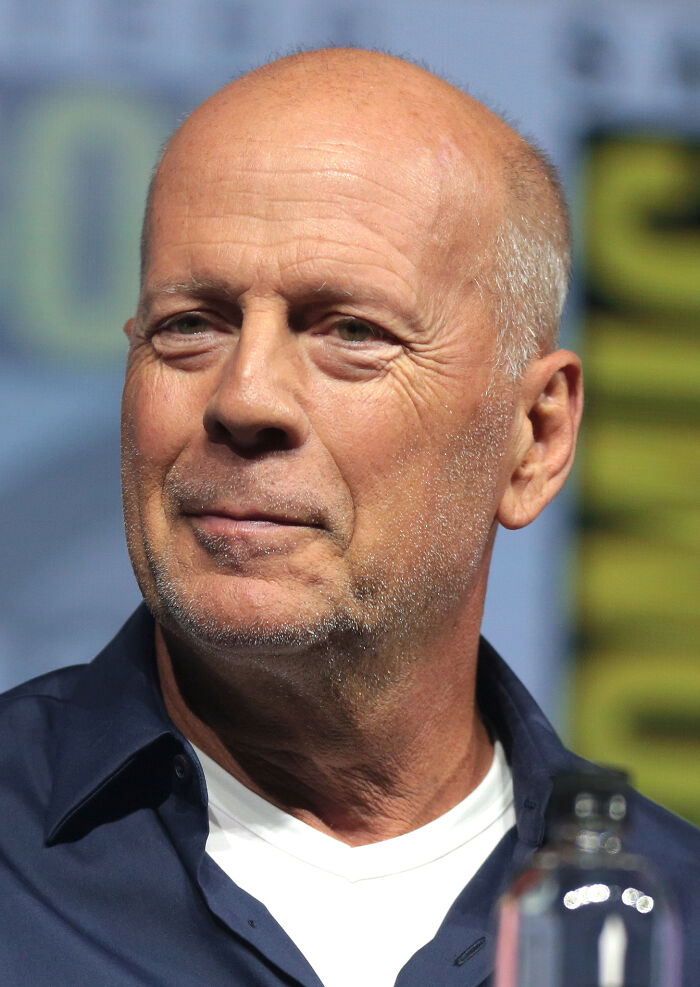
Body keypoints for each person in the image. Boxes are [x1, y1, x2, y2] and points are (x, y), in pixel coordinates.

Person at [0, 47, 697, 987]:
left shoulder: (677, 923)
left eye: (351, 333)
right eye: (190, 323)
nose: (244, 398)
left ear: (534, 439)